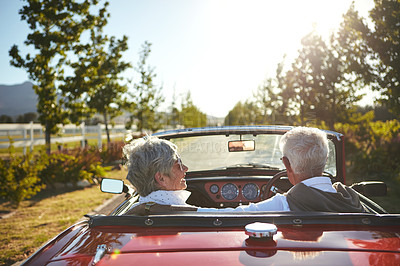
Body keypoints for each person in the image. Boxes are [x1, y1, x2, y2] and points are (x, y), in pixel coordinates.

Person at [127, 127, 367, 214]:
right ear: (325, 160)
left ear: (287, 165)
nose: (186, 168)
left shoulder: (280, 206)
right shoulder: (356, 203)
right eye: (179, 164)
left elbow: (224, 217)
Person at [123, 136, 195, 214]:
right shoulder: (193, 215)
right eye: (179, 166)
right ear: (161, 178)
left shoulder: (133, 211)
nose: (185, 168)